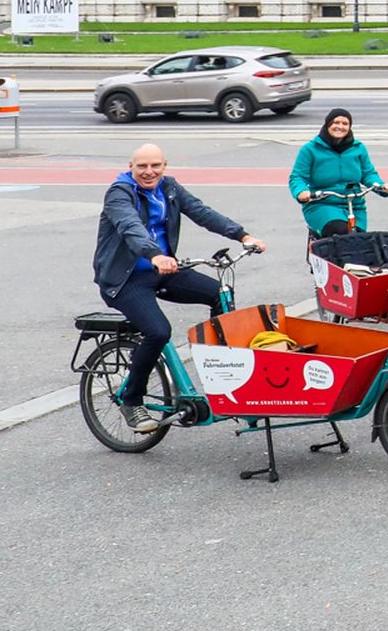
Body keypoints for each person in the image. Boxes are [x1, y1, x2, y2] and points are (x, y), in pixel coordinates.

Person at [92, 144, 266, 432]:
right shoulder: (119, 193)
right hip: (125, 280)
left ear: (165, 166)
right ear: (131, 167)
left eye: (155, 166)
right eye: (142, 167)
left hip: (163, 271)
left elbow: (201, 212)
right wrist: (154, 254)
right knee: (158, 331)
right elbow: (129, 226)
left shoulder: (169, 187)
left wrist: (243, 235)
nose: (149, 172)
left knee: (219, 294)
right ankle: (132, 401)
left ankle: (225, 373)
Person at [289, 108, 388, 237]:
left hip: (355, 204)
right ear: (328, 125)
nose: (340, 127)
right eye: (336, 122)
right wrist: (301, 192)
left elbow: (368, 174)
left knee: (361, 240)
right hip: (323, 203)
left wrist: (381, 186)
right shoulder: (310, 149)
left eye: (345, 124)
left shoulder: (358, 148)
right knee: (339, 230)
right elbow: (297, 176)